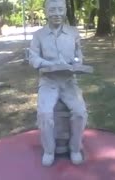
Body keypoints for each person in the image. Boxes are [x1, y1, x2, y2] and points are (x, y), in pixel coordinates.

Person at [28, 0, 88, 166]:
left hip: (69, 81)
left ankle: (75, 148)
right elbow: (32, 57)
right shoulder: (38, 35)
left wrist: (77, 62)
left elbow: (79, 54)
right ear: (46, 12)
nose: (57, 13)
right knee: (45, 114)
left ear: (65, 11)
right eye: (52, 9)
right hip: (49, 81)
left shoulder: (73, 32)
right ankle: (49, 150)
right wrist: (48, 64)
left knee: (80, 112)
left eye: (60, 9)